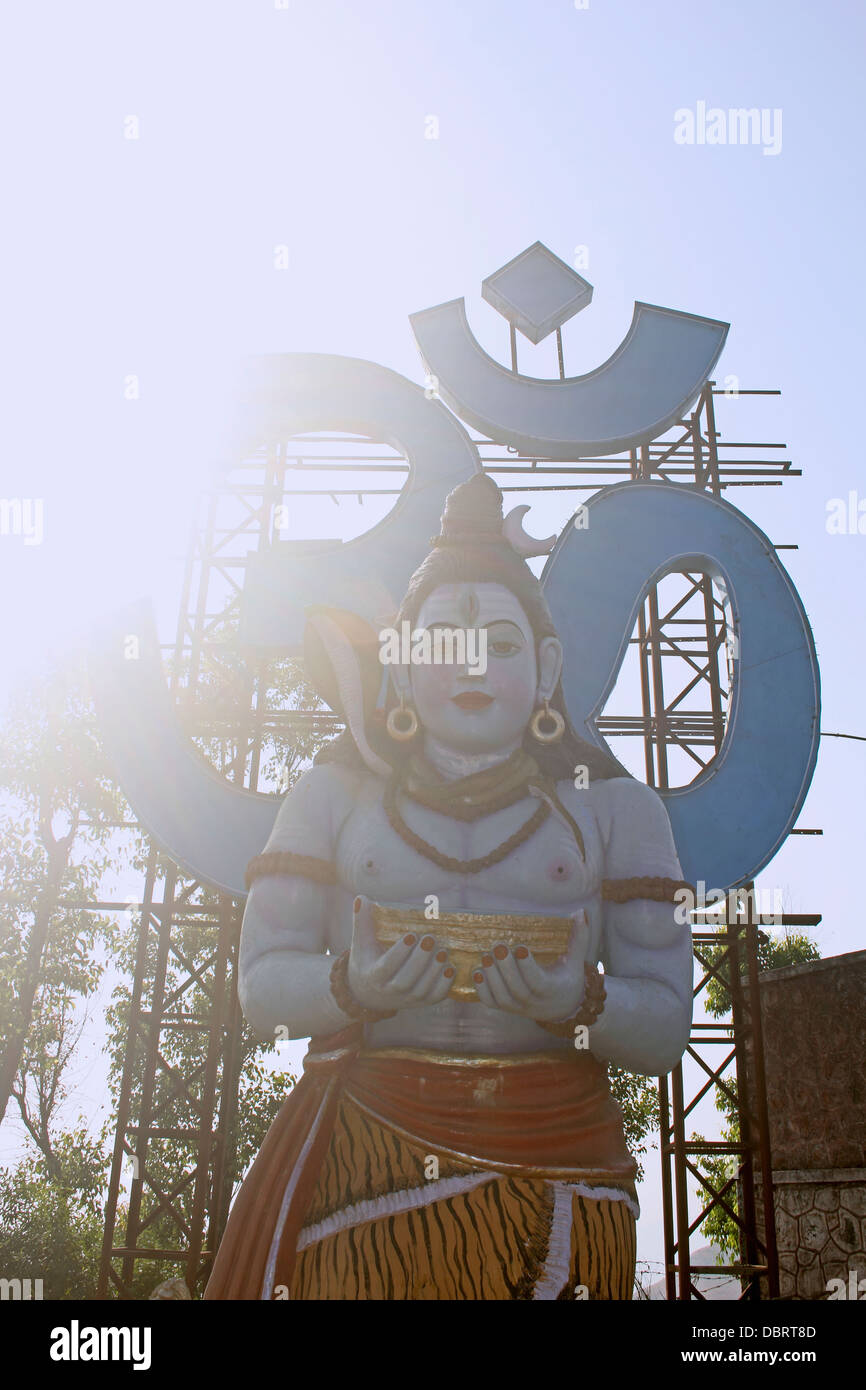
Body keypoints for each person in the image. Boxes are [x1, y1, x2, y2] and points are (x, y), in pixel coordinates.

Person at [205, 473, 693, 1301]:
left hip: (563, 1161)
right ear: (399, 665)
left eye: (501, 647)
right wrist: (346, 985)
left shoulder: (616, 812)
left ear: (545, 670)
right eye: (442, 646)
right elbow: (261, 989)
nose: (472, 667)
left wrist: (582, 1003)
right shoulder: (332, 798)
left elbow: (666, 1029)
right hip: (370, 1158)